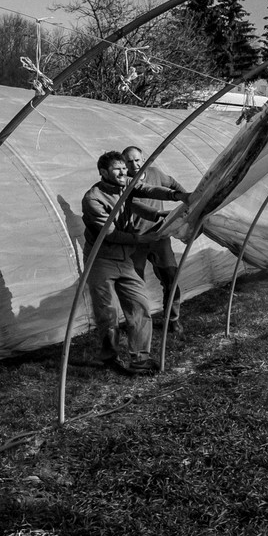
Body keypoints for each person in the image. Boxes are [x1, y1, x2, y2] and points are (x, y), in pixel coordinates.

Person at [81, 152, 161, 374]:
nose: (124, 172)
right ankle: (108, 356)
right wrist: (142, 239)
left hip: (124, 259)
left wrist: (178, 195)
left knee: (140, 305)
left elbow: (147, 190)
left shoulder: (126, 186)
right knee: (107, 312)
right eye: (117, 169)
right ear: (103, 172)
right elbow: (111, 234)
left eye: (124, 168)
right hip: (101, 260)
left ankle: (140, 359)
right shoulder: (93, 198)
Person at [121, 145, 189, 327]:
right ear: (124, 164)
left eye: (137, 160)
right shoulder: (124, 182)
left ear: (143, 160)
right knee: (135, 285)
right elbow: (136, 204)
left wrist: (186, 199)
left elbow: (172, 184)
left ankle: (172, 320)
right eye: (129, 161)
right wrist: (159, 213)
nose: (134, 164)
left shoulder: (155, 174)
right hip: (137, 240)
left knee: (170, 278)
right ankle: (137, 324)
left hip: (159, 237)